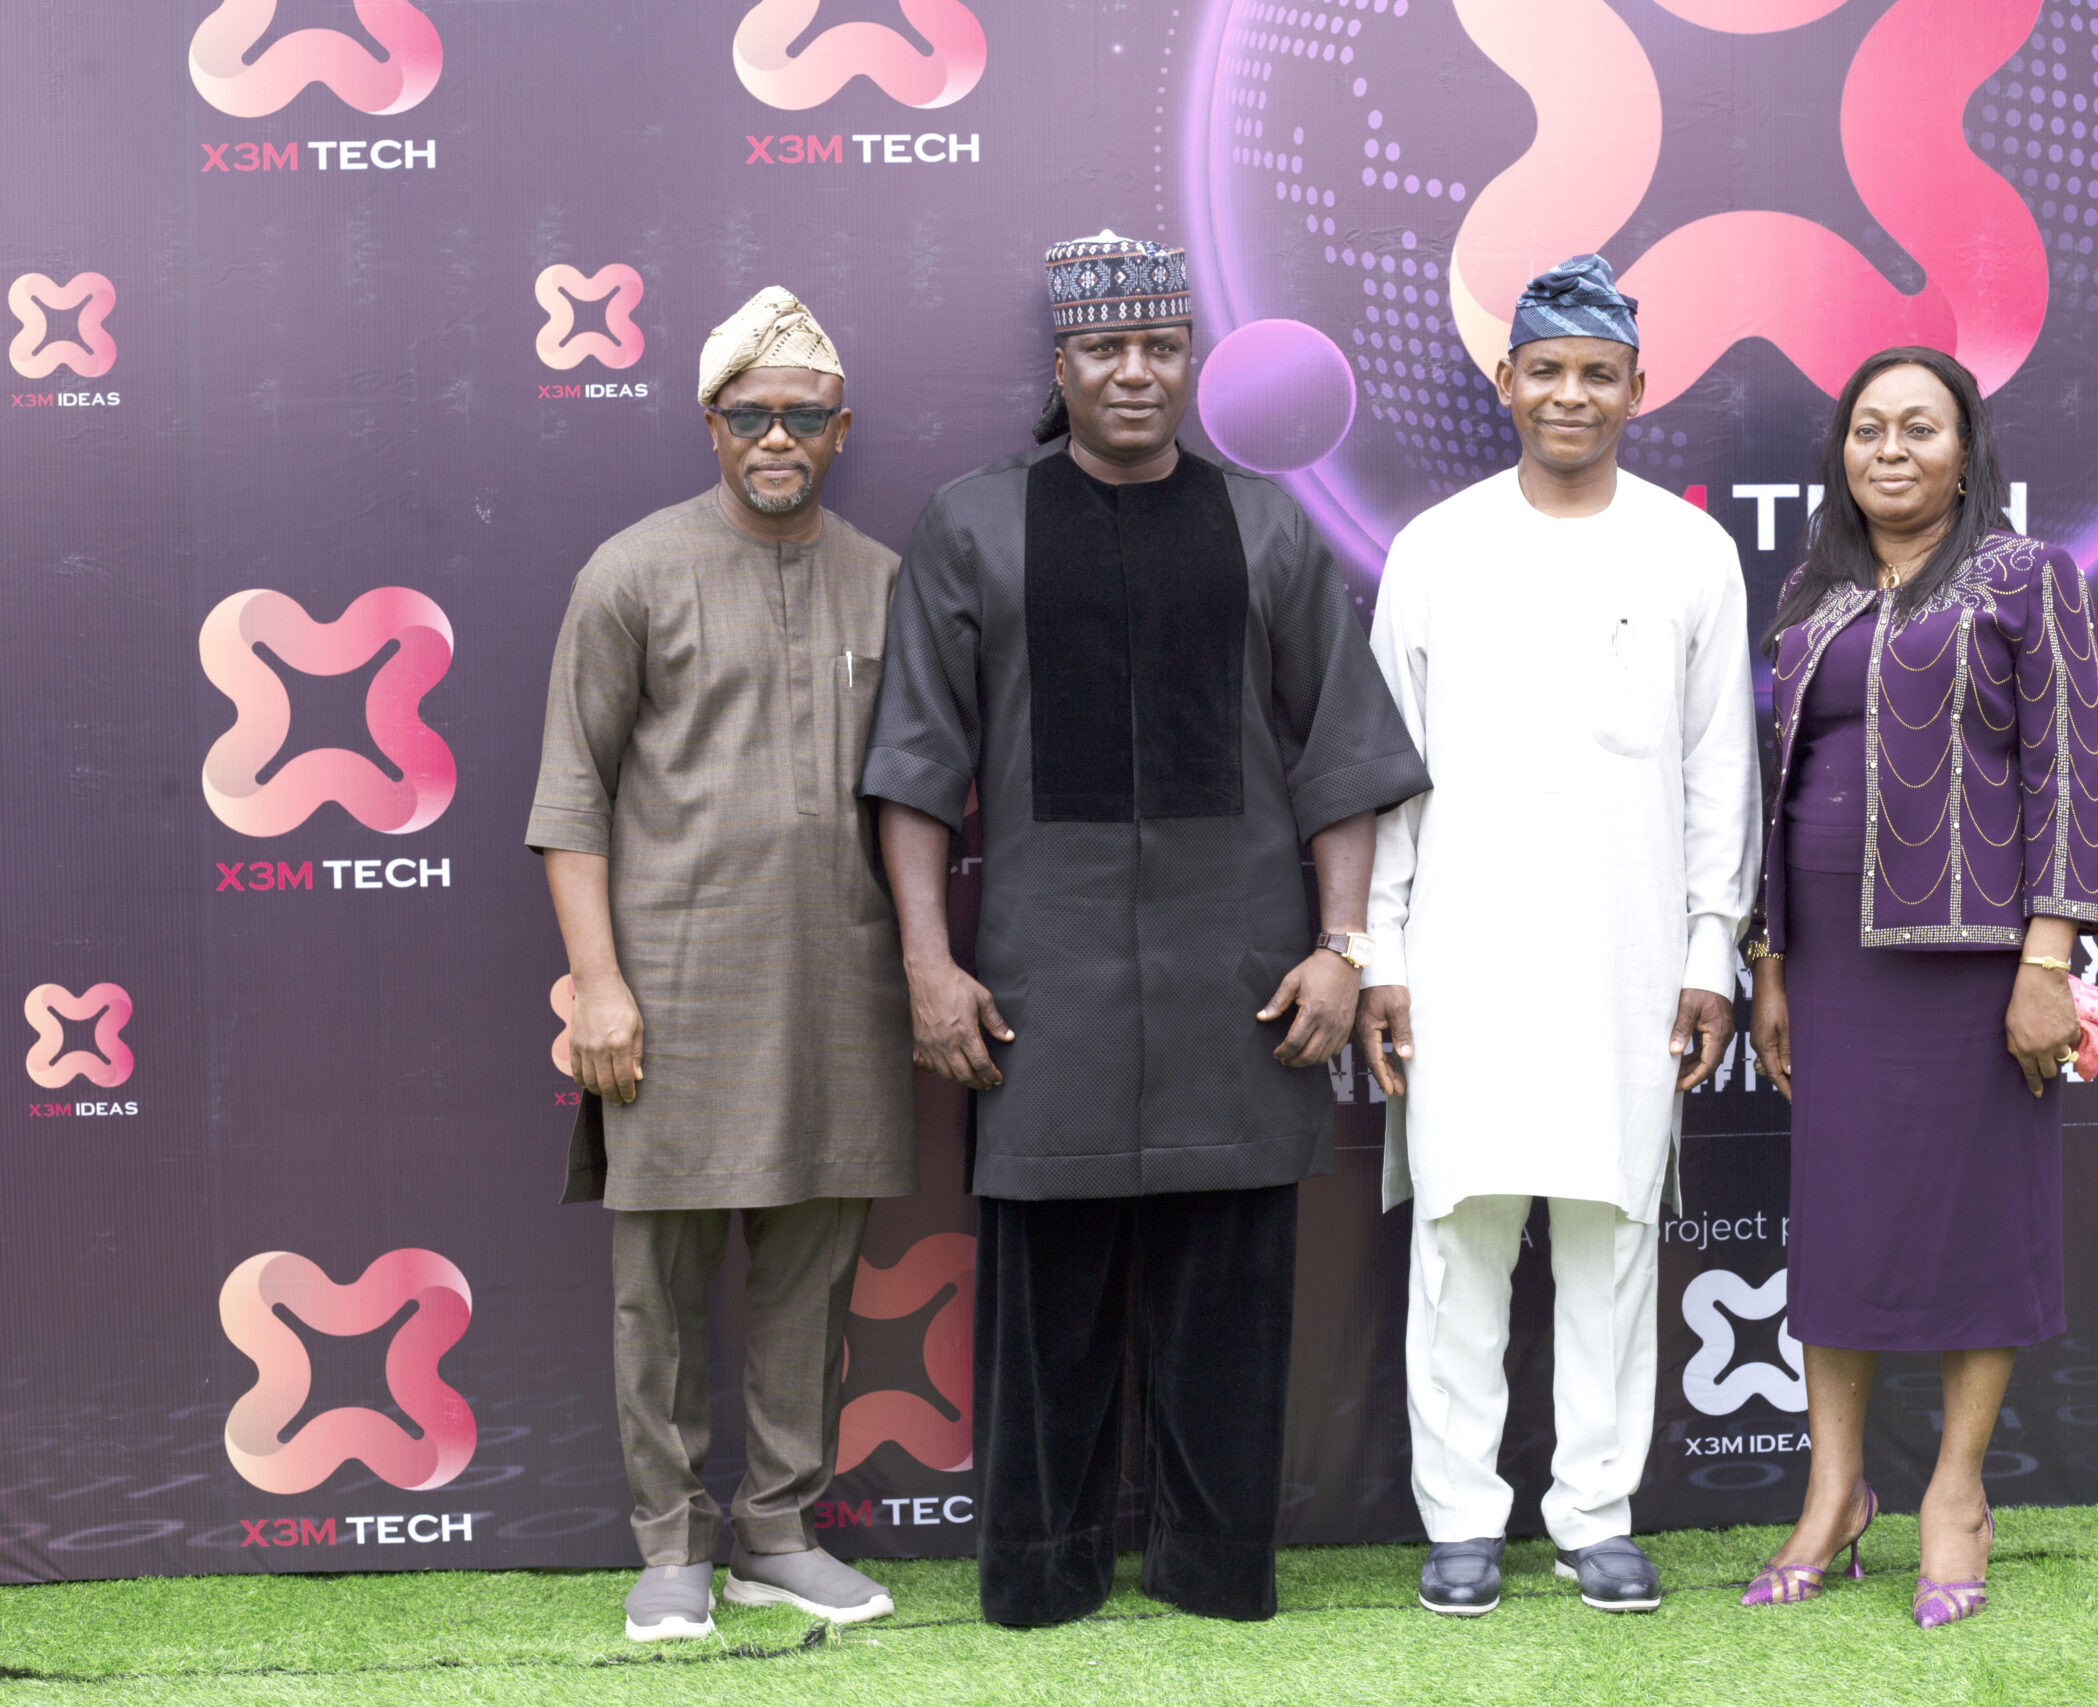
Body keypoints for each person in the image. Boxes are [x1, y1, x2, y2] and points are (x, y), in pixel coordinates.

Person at [860, 230, 1430, 1627]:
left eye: (1160, 346)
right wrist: (932, 966)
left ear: (1191, 361)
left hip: (1238, 974)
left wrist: (1340, 946)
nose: (1134, 371)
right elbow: (917, 767)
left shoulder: (1267, 523)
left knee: (1228, 1291)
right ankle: (1040, 1570)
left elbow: (1342, 753)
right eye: (1105, 348)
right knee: (1044, 1299)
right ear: (1060, 366)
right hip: (1039, 983)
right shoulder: (973, 520)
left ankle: (1213, 1564)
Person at [1354, 254, 1762, 1617]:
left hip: (1631, 954)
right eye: (1547, 370)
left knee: (1609, 1231)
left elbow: (1722, 774)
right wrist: (1381, 952)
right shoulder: (1435, 548)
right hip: (1460, 952)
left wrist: (1713, 948)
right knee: (1461, 1234)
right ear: (1505, 381)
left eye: (1598, 373)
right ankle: (1460, 1516)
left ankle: (1597, 1512)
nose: (1570, 394)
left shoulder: (1690, 550)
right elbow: (1387, 776)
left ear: (1638, 387)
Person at [528, 287, 916, 1642]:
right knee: (663, 1280)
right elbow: (570, 797)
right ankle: (671, 1539)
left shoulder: (884, 578)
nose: (776, 434)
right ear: (710, 424)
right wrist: (600, 982)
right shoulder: (630, 571)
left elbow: (917, 797)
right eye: (749, 411)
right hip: (673, 987)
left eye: (802, 414)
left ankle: (775, 1529)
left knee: (814, 1274)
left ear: (839, 427)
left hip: (840, 987)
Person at [1742, 345, 2098, 1629]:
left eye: (1919, 429)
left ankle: (1956, 1490)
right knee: (1837, 1221)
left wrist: (2046, 962)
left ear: (1967, 452)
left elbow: (2070, 773)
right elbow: (1769, 792)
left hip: (1973, 964)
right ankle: (1834, 1492)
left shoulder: (2023, 577)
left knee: (1974, 1218)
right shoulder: (1809, 593)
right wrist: (1770, 961)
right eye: (1866, 429)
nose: (1888, 450)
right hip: (1828, 965)